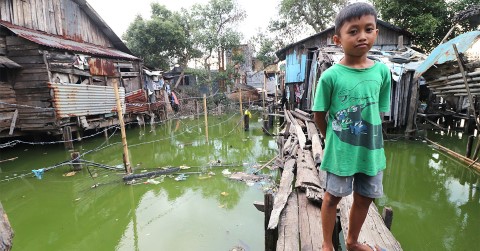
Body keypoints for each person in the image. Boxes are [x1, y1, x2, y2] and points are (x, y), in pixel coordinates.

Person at [312, 3, 391, 251]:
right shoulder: (330, 76)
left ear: (376, 33)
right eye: (353, 31)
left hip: (371, 150)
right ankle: (327, 244)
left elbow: (378, 112)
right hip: (341, 151)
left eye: (368, 29)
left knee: (365, 197)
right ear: (338, 39)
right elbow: (318, 114)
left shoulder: (383, 72)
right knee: (332, 197)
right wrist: (330, 140)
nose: (362, 36)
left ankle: (352, 240)